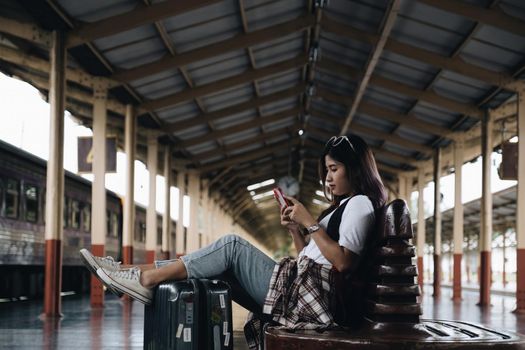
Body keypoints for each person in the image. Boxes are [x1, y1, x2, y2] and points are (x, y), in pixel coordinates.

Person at [80, 134, 386, 345]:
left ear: (355, 168)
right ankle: (134, 273)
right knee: (216, 267)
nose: (328, 178)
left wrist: (309, 222)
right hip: (303, 289)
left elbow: (344, 263)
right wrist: (296, 231)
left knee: (232, 246)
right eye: (327, 171)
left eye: (334, 169)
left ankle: (142, 278)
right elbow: (310, 255)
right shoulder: (346, 205)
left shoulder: (360, 203)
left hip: (312, 300)